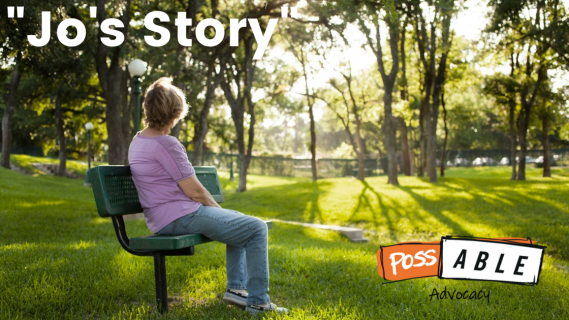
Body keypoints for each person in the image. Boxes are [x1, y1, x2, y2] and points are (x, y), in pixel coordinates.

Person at [128, 77, 288, 314]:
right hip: (179, 217)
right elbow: (195, 191)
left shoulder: (138, 140)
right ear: (175, 112)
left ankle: (236, 290)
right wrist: (217, 212)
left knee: (242, 223)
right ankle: (258, 302)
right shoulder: (166, 144)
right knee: (256, 228)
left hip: (164, 217)